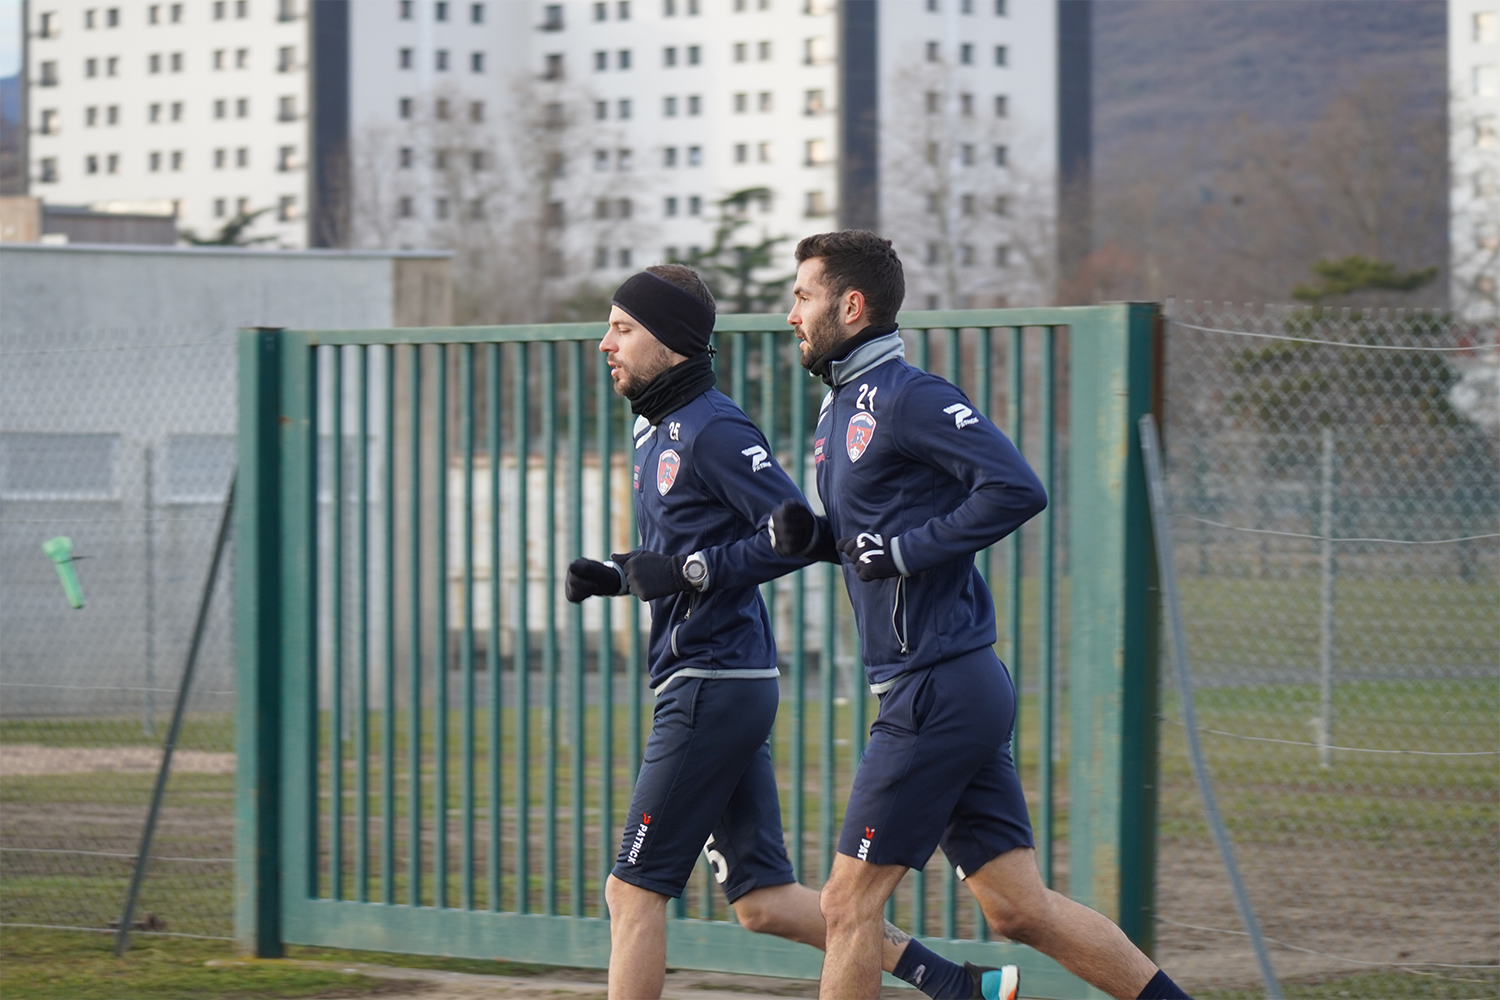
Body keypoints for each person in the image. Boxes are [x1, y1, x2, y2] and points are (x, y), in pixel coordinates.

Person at [566, 264, 1019, 1000]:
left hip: (714, 682)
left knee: (633, 891)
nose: (603, 345)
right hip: (709, 680)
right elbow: (683, 554)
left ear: (672, 342)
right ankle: (956, 985)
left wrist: (688, 576)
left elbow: (796, 535)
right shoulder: (654, 437)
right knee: (761, 902)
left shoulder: (712, 428)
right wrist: (618, 575)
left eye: (621, 328)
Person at [768, 231, 1194, 1000]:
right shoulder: (839, 413)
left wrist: (900, 552)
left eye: (802, 295)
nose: (790, 313)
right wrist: (819, 540)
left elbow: (1015, 488)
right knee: (1018, 909)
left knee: (846, 904)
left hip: (934, 687)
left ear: (851, 304)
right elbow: (872, 537)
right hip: (947, 687)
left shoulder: (909, 395)